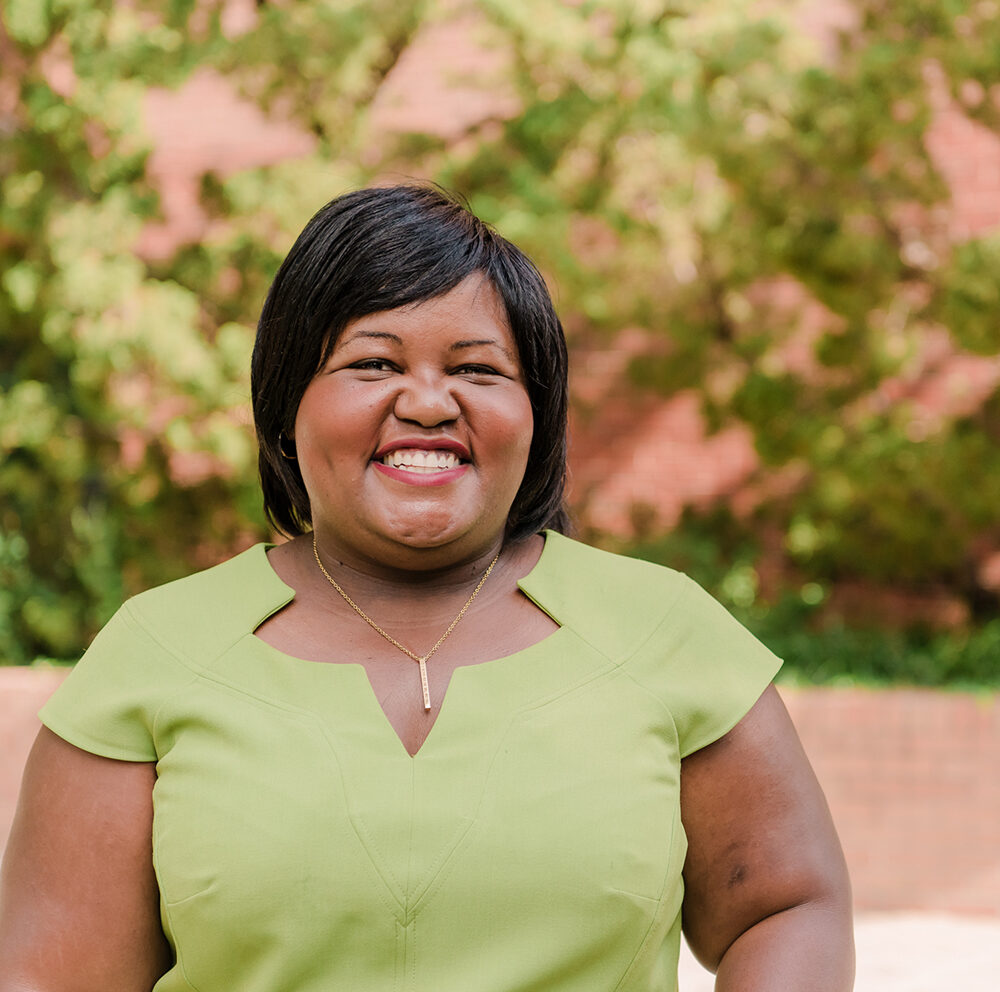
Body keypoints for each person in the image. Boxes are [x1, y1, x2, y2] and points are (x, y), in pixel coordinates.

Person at [0, 185, 854, 991]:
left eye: (478, 370)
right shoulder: (158, 651)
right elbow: (53, 974)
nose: (429, 402)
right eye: (373, 364)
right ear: (287, 403)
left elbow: (785, 905)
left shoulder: (664, 632)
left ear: (537, 412)